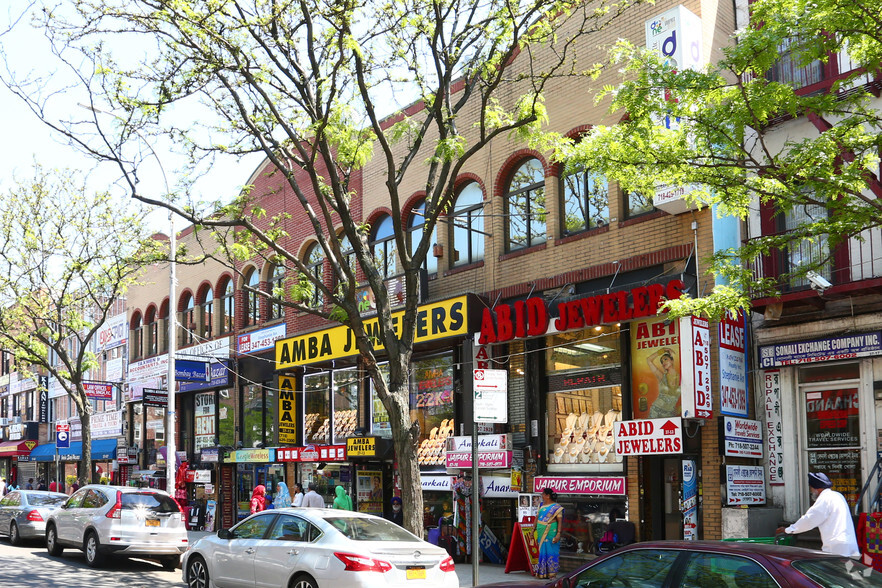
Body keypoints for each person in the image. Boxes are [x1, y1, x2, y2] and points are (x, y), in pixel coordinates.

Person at [776, 472, 860, 557]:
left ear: (817, 488)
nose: (811, 491)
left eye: (811, 489)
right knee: (850, 569)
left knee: (837, 569)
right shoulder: (837, 495)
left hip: (836, 548)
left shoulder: (824, 499)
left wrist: (788, 529)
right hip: (849, 544)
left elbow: (809, 520)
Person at [535, 488, 564, 579]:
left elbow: (560, 521)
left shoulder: (557, 507)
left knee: (551, 551)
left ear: (548, 496)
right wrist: (532, 531)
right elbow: (536, 518)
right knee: (542, 551)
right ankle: (543, 572)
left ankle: (552, 573)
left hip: (551, 531)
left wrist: (558, 533)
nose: (542, 496)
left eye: (543, 494)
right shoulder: (541, 505)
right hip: (540, 531)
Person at [647, 348, 681, 418]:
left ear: (672, 360)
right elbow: (648, 360)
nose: (663, 363)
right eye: (662, 362)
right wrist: (662, 350)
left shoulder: (681, 378)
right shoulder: (661, 376)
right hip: (655, 412)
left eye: (665, 359)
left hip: (669, 414)